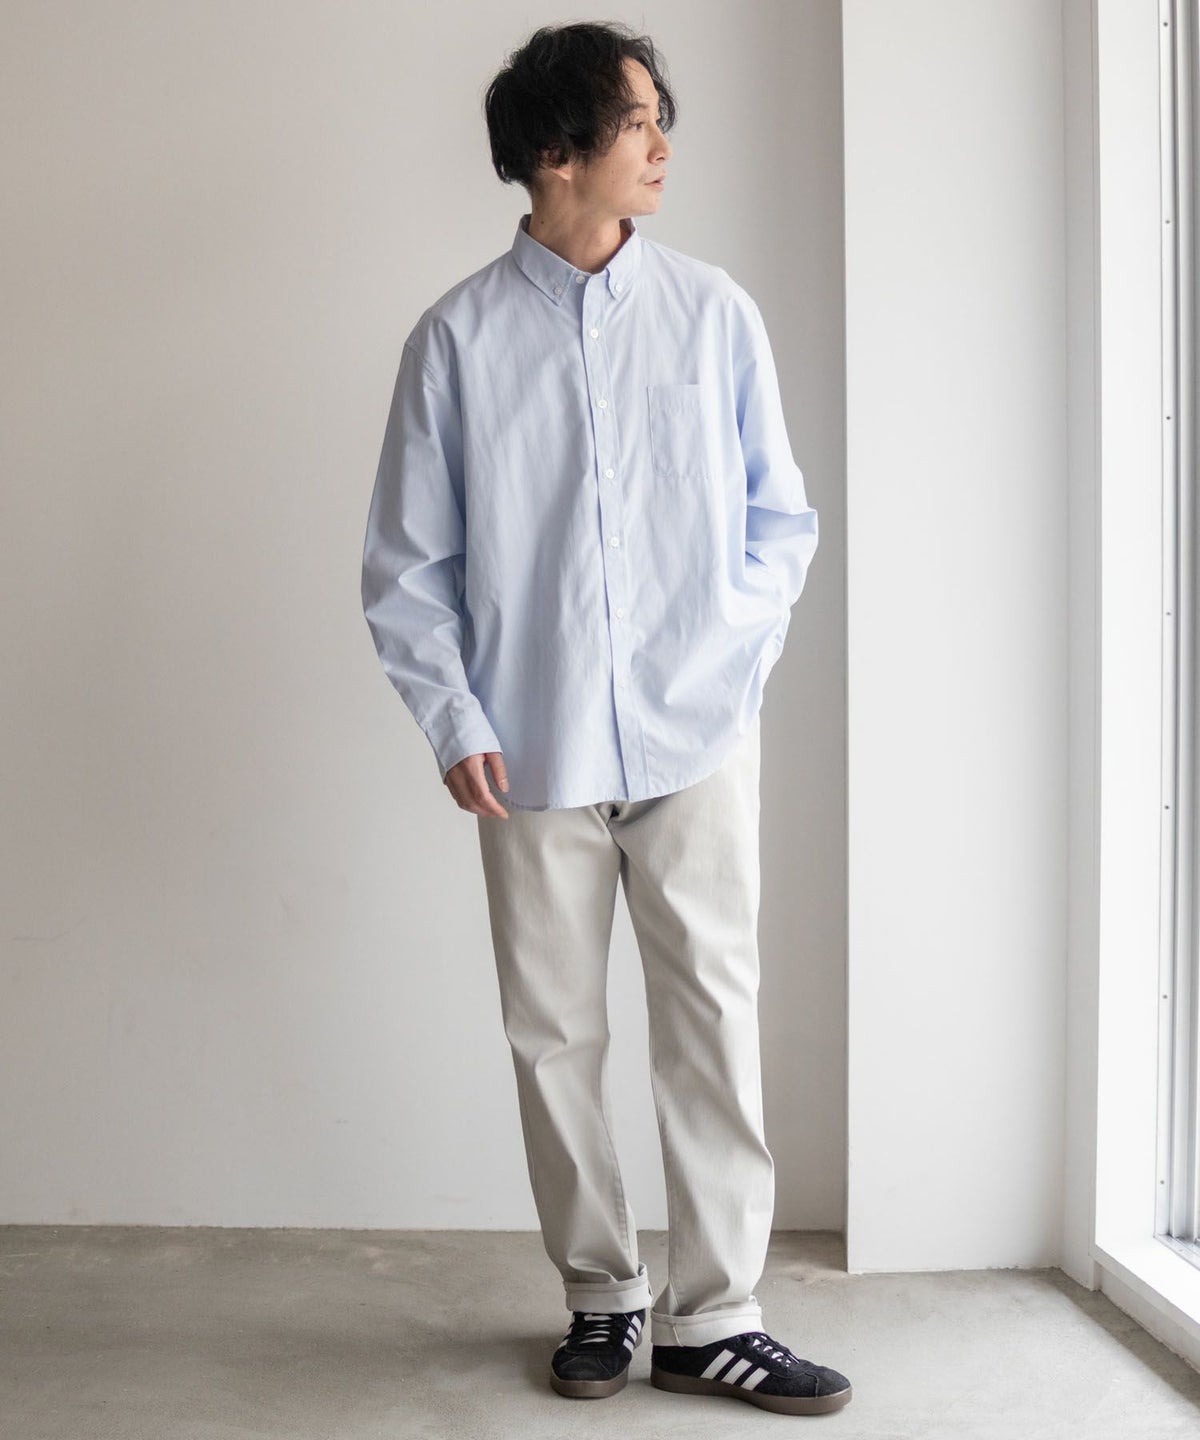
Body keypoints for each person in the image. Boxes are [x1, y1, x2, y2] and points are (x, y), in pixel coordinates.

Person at [360, 19, 850, 1418]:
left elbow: (780, 521)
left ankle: (717, 1317)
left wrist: (729, 669)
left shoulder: (714, 314)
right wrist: (453, 717)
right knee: (553, 1035)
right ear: (556, 149)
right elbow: (408, 562)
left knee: (713, 1021)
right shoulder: (455, 342)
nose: (663, 146)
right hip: (530, 747)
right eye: (639, 122)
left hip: (697, 739)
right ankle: (600, 1296)